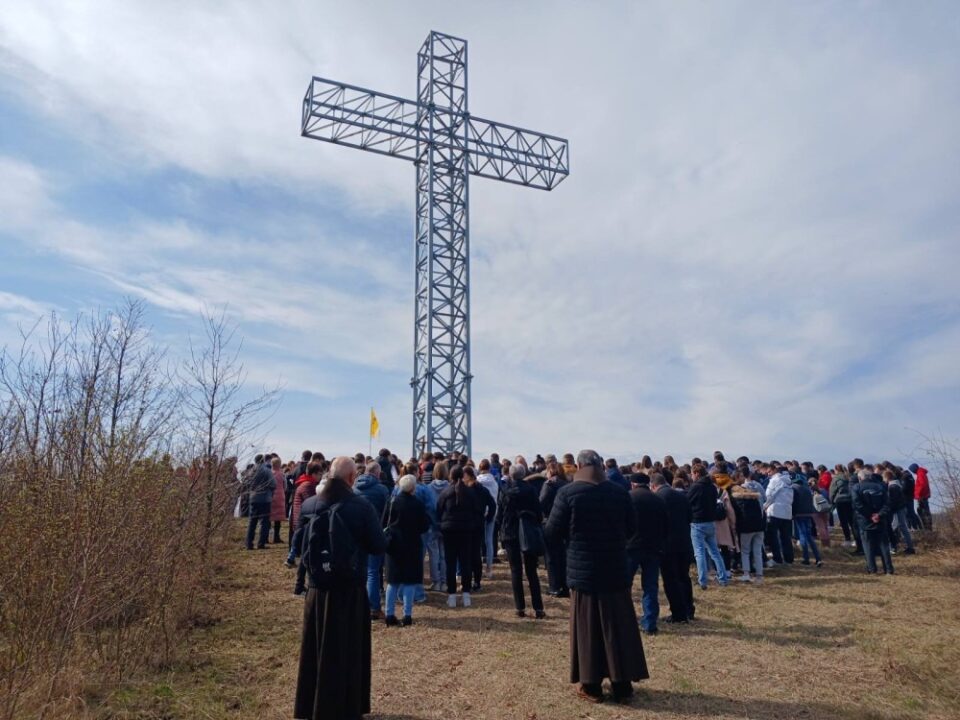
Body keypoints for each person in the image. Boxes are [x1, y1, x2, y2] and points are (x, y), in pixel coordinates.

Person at [546, 451, 648, 705]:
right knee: (618, 627)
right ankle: (622, 685)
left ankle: (591, 686)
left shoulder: (568, 494)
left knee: (588, 628)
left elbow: (552, 532)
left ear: (579, 466)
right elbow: (632, 528)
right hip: (614, 567)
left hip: (585, 571)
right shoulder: (619, 492)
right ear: (601, 466)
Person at [294, 456, 387, 720]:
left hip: (317, 588)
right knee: (347, 651)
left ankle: (310, 705)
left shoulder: (311, 504)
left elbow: (299, 541)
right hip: (349, 590)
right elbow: (378, 545)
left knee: (315, 649)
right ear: (351, 478)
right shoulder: (361, 507)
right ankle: (346, 708)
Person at [497, 464, 546, 618]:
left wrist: (501, 533)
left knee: (515, 571)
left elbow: (501, 514)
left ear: (511, 475)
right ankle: (538, 608)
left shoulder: (505, 490)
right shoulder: (531, 490)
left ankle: (520, 607)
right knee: (532, 572)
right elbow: (538, 511)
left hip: (510, 532)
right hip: (528, 530)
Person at [382, 474, 431, 626]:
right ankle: (407, 615)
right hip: (412, 544)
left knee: (392, 580)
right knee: (409, 581)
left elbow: (383, 522)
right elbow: (424, 526)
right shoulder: (418, 504)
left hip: (394, 544)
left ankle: (389, 614)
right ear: (413, 487)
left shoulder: (392, 502)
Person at [626, 473, 668, 634]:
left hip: (631, 547)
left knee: (625, 585)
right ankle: (650, 622)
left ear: (633, 484)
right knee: (650, 586)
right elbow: (666, 525)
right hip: (653, 547)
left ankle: (626, 619)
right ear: (648, 484)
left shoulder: (628, 498)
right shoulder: (658, 499)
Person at [651, 473, 695, 623]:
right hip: (684, 542)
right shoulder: (682, 496)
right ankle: (689, 609)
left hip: (668, 545)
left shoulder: (657, 498)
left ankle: (678, 613)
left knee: (670, 580)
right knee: (684, 577)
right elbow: (690, 517)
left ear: (654, 486)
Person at [436, 465, 482, 608]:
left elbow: (438, 510)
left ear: (450, 476)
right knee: (465, 562)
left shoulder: (445, 492)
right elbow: (477, 511)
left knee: (450, 563)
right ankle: (466, 594)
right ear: (462, 476)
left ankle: (451, 596)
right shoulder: (470, 492)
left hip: (449, 530)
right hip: (466, 530)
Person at [354, 462, 390, 619]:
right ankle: (374, 607)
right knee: (373, 572)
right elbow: (388, 511)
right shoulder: (381, 489)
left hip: (355, 534)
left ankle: (357, 605)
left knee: (358, 570)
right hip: (375, 532)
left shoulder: (353, 488)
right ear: (377, 473)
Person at [686, 464, 730, 589]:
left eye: (692, 473)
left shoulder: (695, 487)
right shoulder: (712, 487)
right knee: (715, 552)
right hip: (710, 522)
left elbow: (687, 501)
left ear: (696, 473)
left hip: (697, 523)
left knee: (699, 553)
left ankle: (703, 581)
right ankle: (723, 578)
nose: (691, 476)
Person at [851, 467, 893, 574]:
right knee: (884, 545)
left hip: (865, 520)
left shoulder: (856, 487)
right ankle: (888, 569)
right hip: (880, 519)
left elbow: (857, 504)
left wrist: (870, 515)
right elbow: (887, 504)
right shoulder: (881, 487)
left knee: (867, 545)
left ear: (860, 478)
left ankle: (872, 569)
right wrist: (878, 515)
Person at [540, 460, 570, 597]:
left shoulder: (549, 485)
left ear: (550, 471)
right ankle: (564, 585)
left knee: (551, 556)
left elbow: (541, 502)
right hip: (565, 523)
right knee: (563, 555)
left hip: (550, 521)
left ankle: (554, 586)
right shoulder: (567, 484)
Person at [463, 466, 496, 591]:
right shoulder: (482, 490)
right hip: (478, 523)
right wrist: (488, 518)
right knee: (476, 553)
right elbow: (492, 505)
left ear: (469, 476)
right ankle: (477, 582)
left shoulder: (465, 490)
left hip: (467, 524)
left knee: (467, 554)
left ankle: (468, 582)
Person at [730, 472, 765, 582]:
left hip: (746, 527)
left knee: (745, 551)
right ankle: (759, 576)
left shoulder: (737, 500)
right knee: (757, 551)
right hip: (759, 526)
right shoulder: (754, 498)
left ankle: (746, 573)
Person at [285, 462, 321, 569]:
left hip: (299, 517)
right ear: (313, 474)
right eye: (319, 473)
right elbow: (311, 502)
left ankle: (292, 559)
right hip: (303, 519)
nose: (320, 476)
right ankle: (302, 564)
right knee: (304, 544)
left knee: (298, 542)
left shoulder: (304, 482)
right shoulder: (308, 485)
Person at [763, 465, 795, 565]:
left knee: (773, 536)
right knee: (785, 537)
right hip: (787, 512)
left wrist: (764, 507)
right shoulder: (789, 482)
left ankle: (777, 558)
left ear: (774, 470)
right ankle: (788, 559)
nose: (768, 474)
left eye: (769, 472)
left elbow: (769, 496)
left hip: (775, 511)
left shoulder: (775, 480)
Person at [244, 454, 276, 550]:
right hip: (265, 498)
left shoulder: (251, 471)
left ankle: (249, 543)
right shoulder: (267, 470)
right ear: (263, 460)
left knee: (252, 521)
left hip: (253, 498)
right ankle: (261, 543)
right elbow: (273, 484)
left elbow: (246, 482)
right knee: (264, 522)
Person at [791, 474, 822, 567]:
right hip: (808, 514)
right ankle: (818, 558)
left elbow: (794, 503)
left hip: (799, 514)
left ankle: (806, 558)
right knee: (808, 535)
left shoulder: (793, 489)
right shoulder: (807, 489)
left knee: (802, 535)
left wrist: (792, 513)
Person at [477, 459, 500, 579]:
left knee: (477, 541)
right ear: (489, 468)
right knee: (489, 540)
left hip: (479, 513)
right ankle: (489, 568)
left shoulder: (476, 482)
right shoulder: (494, 482)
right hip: (491, 513)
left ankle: (477, 567)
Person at [885, 470, 915, 555]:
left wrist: (890, 509)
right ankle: (909, 547)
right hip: (900, 508)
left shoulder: (892, 486)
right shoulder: (897, 484)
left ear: (887, 478)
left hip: (897, 510)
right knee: (902, 527)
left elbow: (893, 500)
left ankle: (892, 547)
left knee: (893, 528)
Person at [909, 463, 932, 530]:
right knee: (923, 511)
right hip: (923, 496)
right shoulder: (921, 473)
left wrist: (918, 495)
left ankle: (927, 528)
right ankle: (927, 527)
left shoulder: (920, 474)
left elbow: (922, 485)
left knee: (923, 512)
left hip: (922, 497)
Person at [269, 456, 286, 544]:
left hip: (271, 495)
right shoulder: (282, 474)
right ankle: (276, 536)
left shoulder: (270, 473)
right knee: (277, 519)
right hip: (280, 495)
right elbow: (285, 485)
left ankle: (266, 536)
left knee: (269, 517)